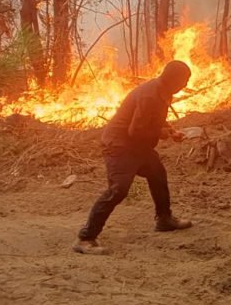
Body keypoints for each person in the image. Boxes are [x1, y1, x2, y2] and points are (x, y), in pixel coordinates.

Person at [73, 61, 194, 255]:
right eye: (184, 81)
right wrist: (162, 134)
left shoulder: (162, 91)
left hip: (138, 146)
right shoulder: (149, 95)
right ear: (172, 79)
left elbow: (155, 119)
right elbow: (136, 130)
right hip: (119, 146)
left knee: (157, 174)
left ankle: (164, 219)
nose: (186, 85)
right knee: (118, 190)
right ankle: (85, 238)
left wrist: (170, 131)